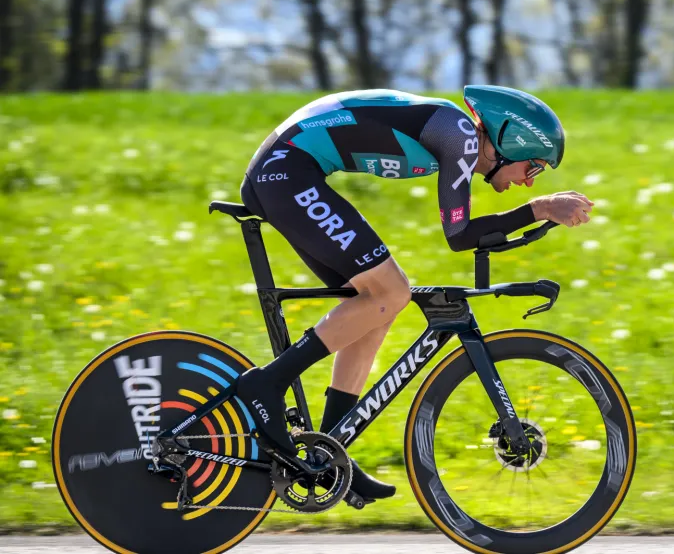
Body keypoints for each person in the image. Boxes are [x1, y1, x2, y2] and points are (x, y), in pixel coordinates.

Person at [235, 86, 593, 503]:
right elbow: (458, 235)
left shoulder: (454, 134)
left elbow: (462, 232)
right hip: (286, 171)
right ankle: (266, 383)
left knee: (377, 304)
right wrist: (540, 208)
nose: (529, 180)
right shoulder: (459, 134)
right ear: (507, 144)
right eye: (533, 167)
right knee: (390, 291)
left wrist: (536, 211)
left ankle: (330, 452)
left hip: (286, 172)